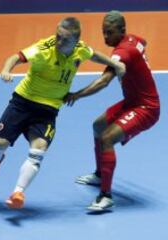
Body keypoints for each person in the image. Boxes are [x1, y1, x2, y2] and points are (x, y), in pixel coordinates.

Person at [0, 17, 126, 209]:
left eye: (64, 40)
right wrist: (6, 69)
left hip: (48, 110)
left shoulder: (80, 50)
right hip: (22, 102)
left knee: (38, 149)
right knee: (0, 143)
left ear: (75, 42)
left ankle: (18, 192)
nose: (59, 42)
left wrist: (115, 64)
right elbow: (16, 57)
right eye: (58, 36)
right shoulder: (43, 49)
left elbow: (94, 55)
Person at [65, 11, 160, 212]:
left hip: (146, 108)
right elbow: (143, 43)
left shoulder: (122, 54)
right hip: (132, 102)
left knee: (107, 138)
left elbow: (103, 81)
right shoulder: (134, 40)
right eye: (103, 32)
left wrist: (76, 95)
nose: (105, 37)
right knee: (98, 126)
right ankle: (100, 174)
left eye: (109, 33)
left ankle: (106, 196)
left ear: (121, 31)